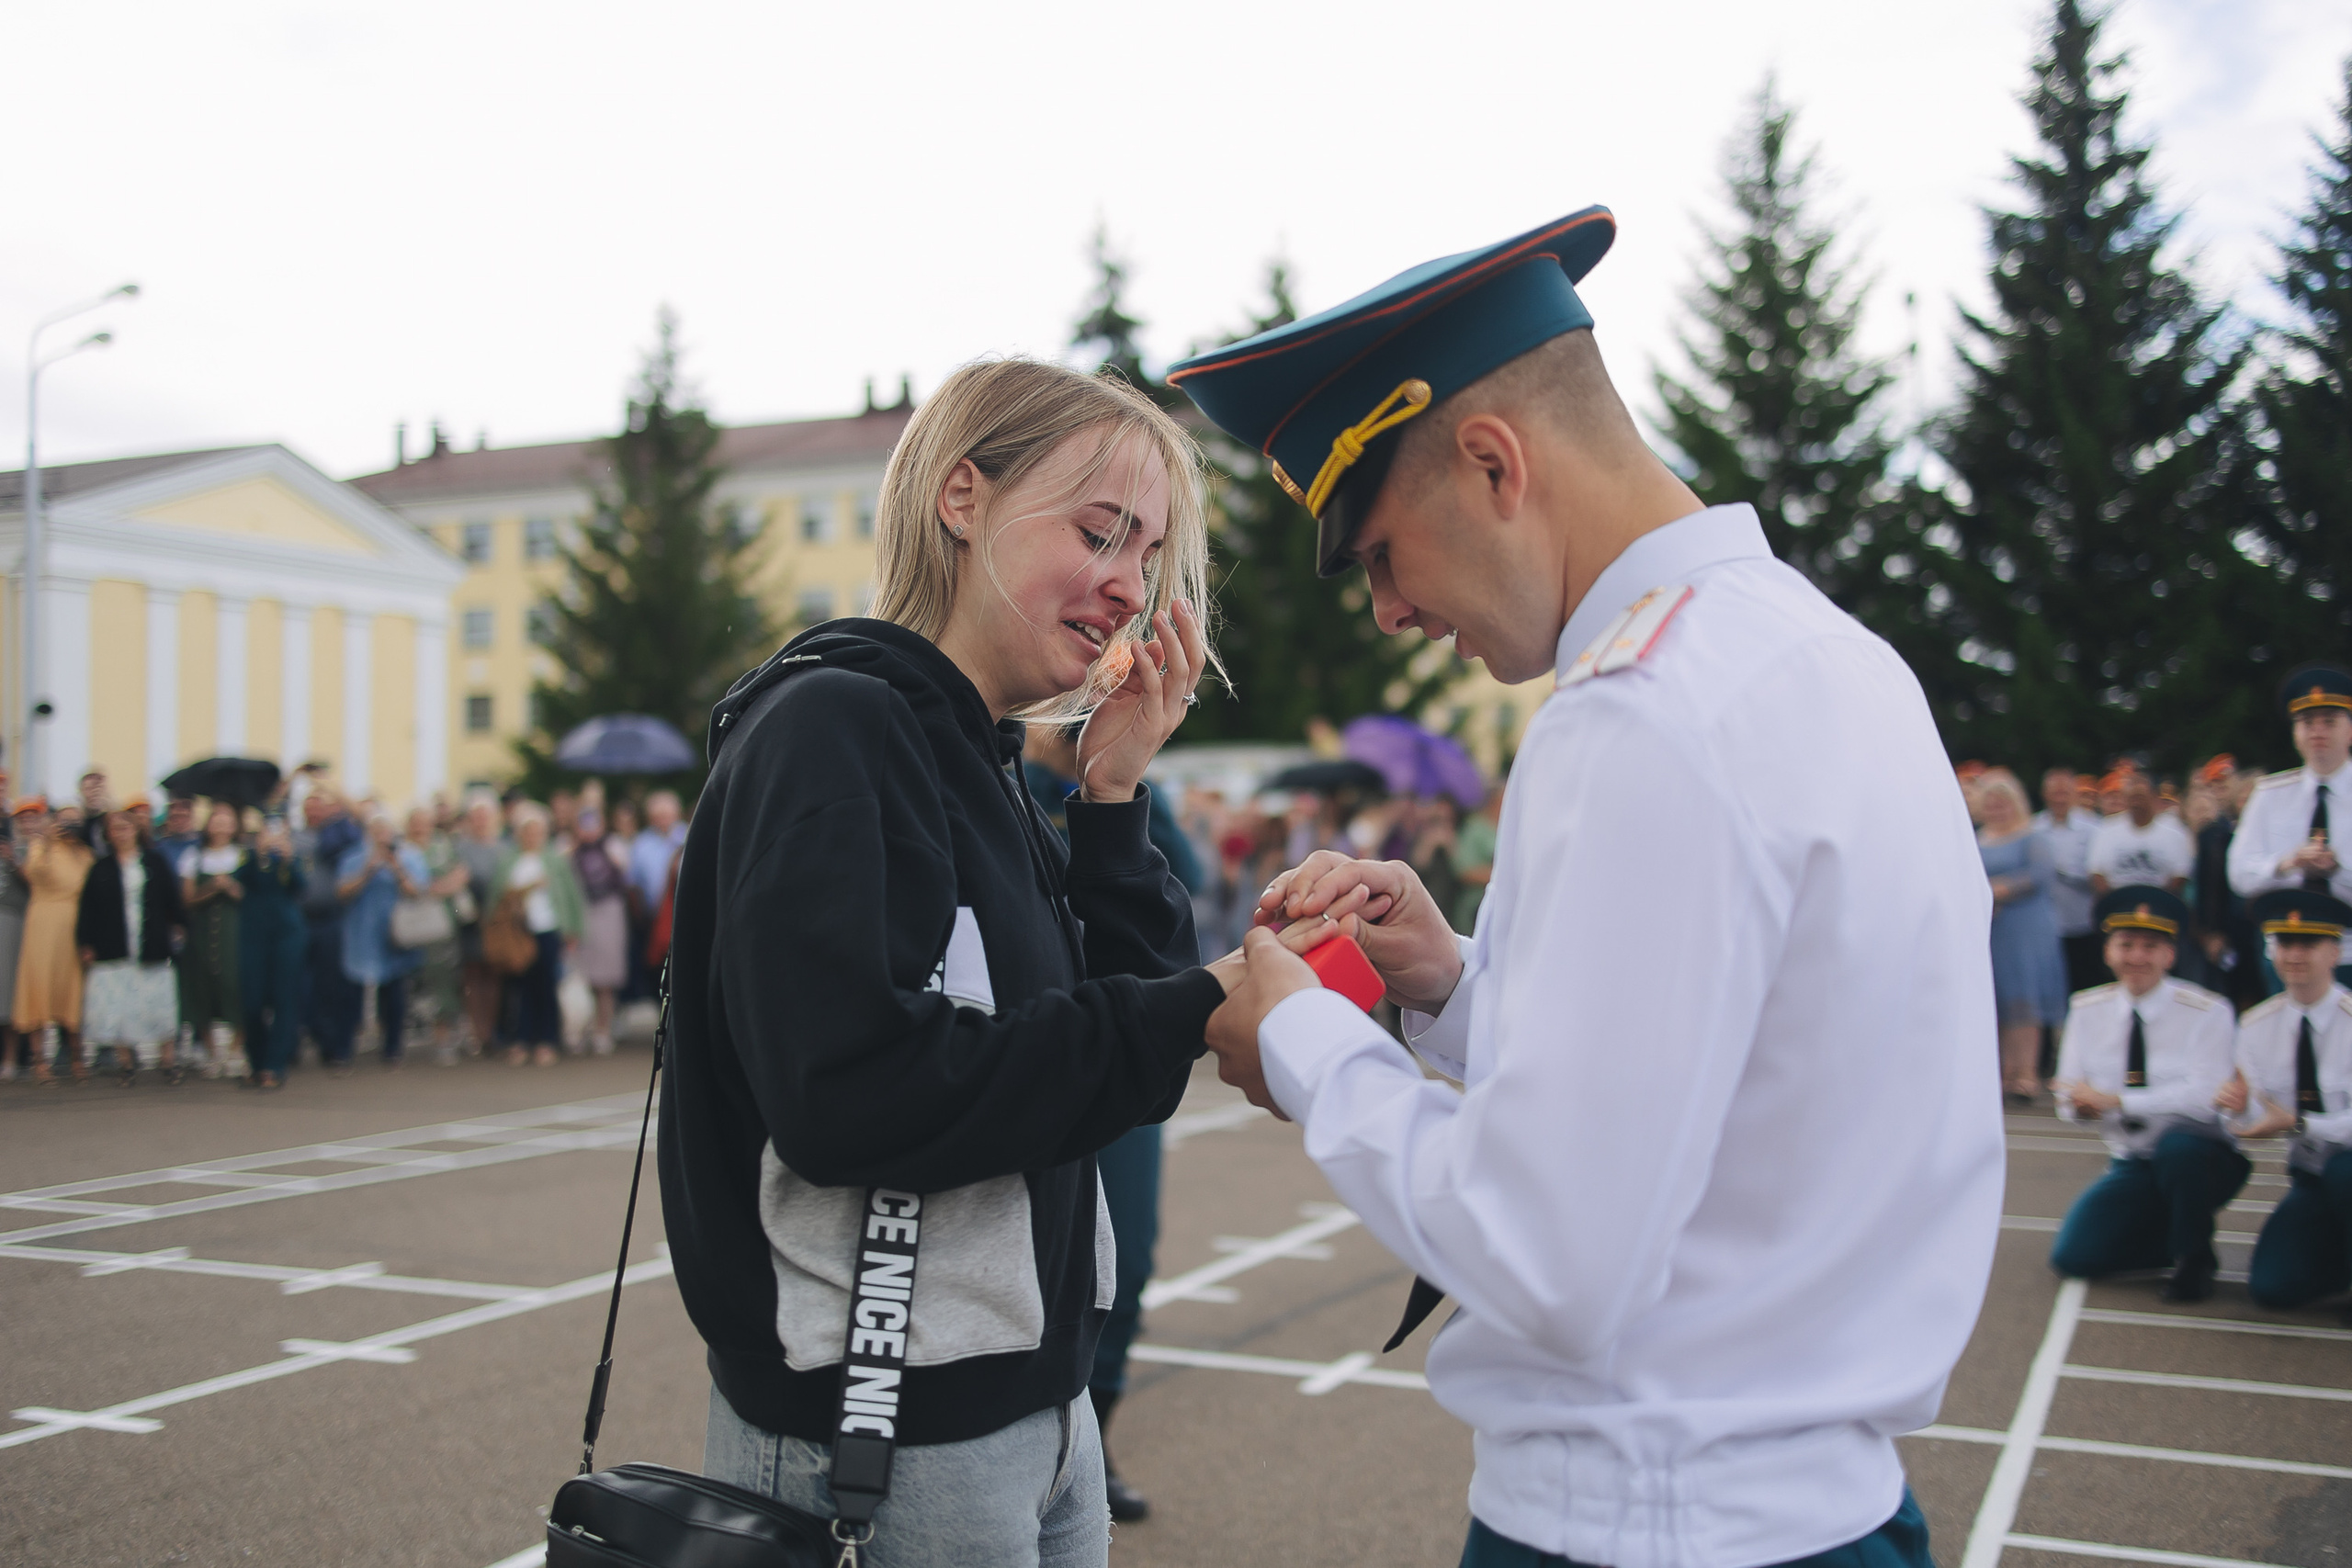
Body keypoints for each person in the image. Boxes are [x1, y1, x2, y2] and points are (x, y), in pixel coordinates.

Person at [1175, 208, 2003, 1568]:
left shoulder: (1635, 713)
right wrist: (1448, 982)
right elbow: (1735, 1090)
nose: (1384, 609)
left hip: (1647, 1520)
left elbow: (1548, 1252)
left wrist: (1305, 1040)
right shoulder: (1830, 656)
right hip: (1817, 1501)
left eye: (1378, 550)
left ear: (1494, 462)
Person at [663, 355, 1232, 1565]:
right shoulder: (832, 729)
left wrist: (1114, 794)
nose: (1128, 584)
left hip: (1033, 1402)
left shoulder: (982, 758)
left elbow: (1120, 1076)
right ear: (962, 498)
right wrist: (1207, 1000)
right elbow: (852, 1090)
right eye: (1100, 530)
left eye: (1150, 554)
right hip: (882, 1433)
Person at [2048, 886, 2245, 1303]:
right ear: (2108, 952)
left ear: (2169, 956)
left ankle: (2194, 1260)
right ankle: (2172, 1233)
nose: (2137, 957)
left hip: (2202, 1160)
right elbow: (2069, 1097)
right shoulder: (2086, 1009)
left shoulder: (2208, 1011)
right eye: (2126, 945)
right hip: (2133, 1161)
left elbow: (2205, 1098)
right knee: (2075, 1257)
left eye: (2150, 947)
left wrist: (2116, 1101)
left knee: (2179, 1148)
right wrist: (2081, 1109)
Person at [2222, 890, 2352, 1319]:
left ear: (2336, 951)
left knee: (2344, 1168)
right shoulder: (2257, 1025)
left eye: (2309, 944)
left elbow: (2292, 1123)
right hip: (2313, 1179)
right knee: (2274, 1288)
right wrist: (2235, 1109)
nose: (2294, 954)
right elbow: (2259, 1116)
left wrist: (2300, 1125)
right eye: (2284, 943)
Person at [2228, 665, 2352, 988]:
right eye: (2307, 723)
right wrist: (2287, 864)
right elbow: (2239, 874)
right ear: (2295, 734)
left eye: (2329, 721)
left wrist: (2338, 869)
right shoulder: (2270, 795)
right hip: (2287, 955)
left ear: (2350, 730)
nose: (2317, 731)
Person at [75, 804, 186, 1082]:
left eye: (126, 827)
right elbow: (87, 908)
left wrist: (180, 925)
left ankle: (168, 1061)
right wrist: (85, 942)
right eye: (114, 829)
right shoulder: (101, 867)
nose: (121, 833)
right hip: (114, 942)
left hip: (151, 939)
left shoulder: (154, 861)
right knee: (119, 1002)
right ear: (108, 835)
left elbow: (172, 898)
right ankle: (126, 1064)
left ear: (137, 830)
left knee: (158, 998)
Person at [1980, 769, 2068, 1103]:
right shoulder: (1977, 838)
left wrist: (2000, 889)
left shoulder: (2033, 837)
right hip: (1992, 928)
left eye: (2002, 803)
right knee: (1998, 999)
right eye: (1990, 803)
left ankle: (2026, 1074)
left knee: (2024, 999)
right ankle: (2002, 1074)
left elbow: (2040, 875)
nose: (1996, 809)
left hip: (2026, 927)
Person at [492, 802, 582, 1067]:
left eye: (536, 831)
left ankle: (547, 1040)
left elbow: (571, 895)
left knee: (546, 986)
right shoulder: (510, 860)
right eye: (527, 831)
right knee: (521, 989)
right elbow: (498, 896)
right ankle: (521, 1039)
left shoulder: (554, 860)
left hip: (548, 929)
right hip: (519, 934)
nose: (531, 836)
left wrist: (573, 928)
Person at [337, 811, 426, 1068]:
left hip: (395, 935)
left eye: (385, 831)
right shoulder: (354, 856)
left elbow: (417, 892)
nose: (381, 837)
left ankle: (392, 1048)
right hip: (360, 934)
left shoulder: (409, 857)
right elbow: (341, 892)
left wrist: (396, 867)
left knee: (395, 993)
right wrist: (368, 870)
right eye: (376, 832)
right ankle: (344, 1048)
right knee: (351, 991)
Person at [15, 803, 95, 1082]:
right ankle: (40, 1062)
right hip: (44, 925)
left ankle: (76, 1058)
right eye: (65, 821)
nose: (70, 826)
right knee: (40, 987)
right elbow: (34, 874)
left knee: (73, 990)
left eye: (75, 822)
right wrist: (46, 838)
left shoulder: (86, 854)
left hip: (76, 927)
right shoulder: (41, 847)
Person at [177, 802, 249, 1078]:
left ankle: (235, 1050)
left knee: (236, 987)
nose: (220, 825)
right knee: (201, 989)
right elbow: (187, 899)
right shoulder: (194, 856)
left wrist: (230, 888)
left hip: (234, 931)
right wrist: (210, 888)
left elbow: (252, 897)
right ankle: (211, 1052)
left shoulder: (243, 855)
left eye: (226, 819)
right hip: (202, 932)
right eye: (216, 819)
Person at [295, 789, 365, 1068]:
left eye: (319, 807)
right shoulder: (295, 836)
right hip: (301, 917)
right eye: (309, 807)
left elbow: (361, 822)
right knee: (301, 985)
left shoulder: (338, 836)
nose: (314, 812)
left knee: (331, 984)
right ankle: (303, 1038)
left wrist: (332, 788)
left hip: (332, 917)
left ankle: (334, 1046)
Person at [236, 816, 309, 1088]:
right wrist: (260, 854)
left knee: (284, 999)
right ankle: (256, 1060)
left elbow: (300, 887)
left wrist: (288, 859)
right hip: (253, 935)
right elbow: (240, 879)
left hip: (287, 935)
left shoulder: (290, 859)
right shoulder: (249, 858)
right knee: (252, 1001)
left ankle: (274, 1065)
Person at [401, 806, 469, 1066]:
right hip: (411, 925)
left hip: (442, 924)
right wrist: (432, 888)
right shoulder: (404, 850)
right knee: (414, 981)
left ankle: (443, 1037)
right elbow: (408, 886)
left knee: (444, 978)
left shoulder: (443, 847)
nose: (420, 828)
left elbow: (460, 875)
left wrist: (437, 888)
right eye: (415, 822)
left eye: (424, 822)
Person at [2035, 767, 2102, 994]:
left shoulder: (2094, 828)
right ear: (2045, 794)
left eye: (2065, 791)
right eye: (2055, 792)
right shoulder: (2034, 828)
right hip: (2047, 924)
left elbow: (2098, 873)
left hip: (2084, 922)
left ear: (2074, 793)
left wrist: (2064, 871)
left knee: (2086, 985)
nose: (2060, 797)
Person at [571, 806, 630, 1055]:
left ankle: (603, 1030)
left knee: (605, 977)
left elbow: (625, 873)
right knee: (585, 977)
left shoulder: (613, 845)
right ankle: (583, 1029)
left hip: (608, 912)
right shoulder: (572, 850)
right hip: (583, 912)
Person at [454, 791, 507, 1053]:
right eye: (475, 817)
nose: (480, 821)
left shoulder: (503, 848)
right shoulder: (460, 848)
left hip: (497, 921)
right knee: (472, 976)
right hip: (470, 920)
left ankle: (492, 1031)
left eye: (484, 816)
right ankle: (478, 1031)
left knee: (494, 975)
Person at [2088, 770, 2194, 899]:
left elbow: (2180, 874)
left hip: (2160, 903)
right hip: (2118, 903)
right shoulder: (2107, 829)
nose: (2136, 803)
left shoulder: (2174, 832)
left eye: (2140, 797)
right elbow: (2097, 872)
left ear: (2154, 798)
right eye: (2132, 798)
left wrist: (2158, 899)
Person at [0, 785, 28, 1080]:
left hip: (12, 921)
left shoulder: (26, 848)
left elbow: (38, 888)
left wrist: (13, 860)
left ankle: (11, 1059)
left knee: (8, 996)